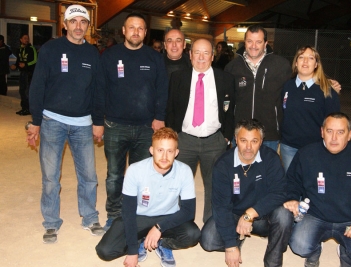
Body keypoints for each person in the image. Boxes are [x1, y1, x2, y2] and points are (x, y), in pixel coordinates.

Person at [26, 4, 104, 244]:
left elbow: (98, 91)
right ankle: (51, 223)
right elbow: (37, 86)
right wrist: (35, 121)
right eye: (74, 21)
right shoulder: (51, 49)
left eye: (83, 22)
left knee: (89, 176)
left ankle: (90, 217)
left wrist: (98, 121)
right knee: (51, 177)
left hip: (83, 123)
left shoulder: (92, 54)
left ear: (88, 26)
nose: (78, 26)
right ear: (65, 24)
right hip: (52, 121)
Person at [92, 12, 168, 231]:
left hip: (146, 128)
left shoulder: (154, 58)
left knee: (142, 176)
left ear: (145, 32)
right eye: (131, 27)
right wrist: (98, 121)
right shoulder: (109, 55)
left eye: (140, 28)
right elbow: (100, 90)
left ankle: (137, 213)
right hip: (115, 126)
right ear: (123, 31)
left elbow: (162, 90)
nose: (136, 31)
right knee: (114, 175)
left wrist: (159, 117)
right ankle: (114, 215)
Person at [284, 112, 351, 267]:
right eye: (329, 131)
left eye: (340, 132)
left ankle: (345, 253)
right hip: (315, 215)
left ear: (349, 135)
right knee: (299, 246)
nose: (334, 138)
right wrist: (291, 198)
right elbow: (292, 181)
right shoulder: (306, 153)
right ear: (322, 132)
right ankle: (314, 251)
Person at [225, 24, 341, 151]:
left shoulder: (280, 65)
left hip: (269, 136)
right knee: (240, 169)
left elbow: (301, 79)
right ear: (244, 42)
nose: (254, 46)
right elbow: (227, 101)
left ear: (265, 43)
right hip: (242, 134)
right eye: (250, 41)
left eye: (258, 42)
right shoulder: (232, 67)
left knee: (269, 171)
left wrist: (324, 82)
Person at [96, 127, 201, 267]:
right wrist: (132, 251)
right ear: (151, 150)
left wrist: (159, 228)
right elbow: (128, 212)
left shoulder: (184, 171)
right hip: (139, 217)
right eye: (160, 150)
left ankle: (163, 243)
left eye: (169, 151)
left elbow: (188, 212)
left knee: (193, 235)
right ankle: (140, 241)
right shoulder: (135, 170)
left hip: (168, 217)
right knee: (105, 251)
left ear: (176, 153)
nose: (164, 157)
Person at [200, 119, 292, 267]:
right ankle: (237, 237)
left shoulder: (271, 158)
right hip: (234, 214)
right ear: (235, 139)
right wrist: (230, 246)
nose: (248, 147)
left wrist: (251, 213)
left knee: (284, 215)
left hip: (263, 215)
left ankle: (273, 261)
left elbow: (280, 192)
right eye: (243, 140)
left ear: (261, 141)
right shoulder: (223, 163)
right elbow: (221, 206)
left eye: (254, 141)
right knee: (208, 241)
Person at [166, 38, 235, 223]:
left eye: (206, 53)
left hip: (215, 141)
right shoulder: (178, 77)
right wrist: (173, 137)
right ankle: (180, 223)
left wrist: (226, 138)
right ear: (190, 55)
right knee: (180, 184)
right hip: (185, 140)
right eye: (197, 52)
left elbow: (231, 111)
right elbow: (170, 109)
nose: (201, 57)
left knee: (214, 185)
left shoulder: (225, 79)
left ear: (213, 56)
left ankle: (210, 224)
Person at [280, 46, 340, 172]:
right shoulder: (287, 86)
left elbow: (334, 122)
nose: (305, 61)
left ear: (316, 64)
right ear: (296, 63)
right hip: (289, 147)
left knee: (312, 185)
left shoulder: (327, 90)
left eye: (310, 58)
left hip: (315, 147)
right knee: (292, 185)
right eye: (301, 57)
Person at [11, 33, 37, 116]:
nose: (26, 40)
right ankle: (24, 108)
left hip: (29, 73)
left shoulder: (31, 48)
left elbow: (35, 60)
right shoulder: (19, 49)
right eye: (25, 38)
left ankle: (28, 109)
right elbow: (18, 60)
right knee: (21, 90)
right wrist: (15, 65)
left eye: (27, 38)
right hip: (22, 72)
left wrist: (26, 65)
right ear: (20, 39)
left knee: (27, 91)